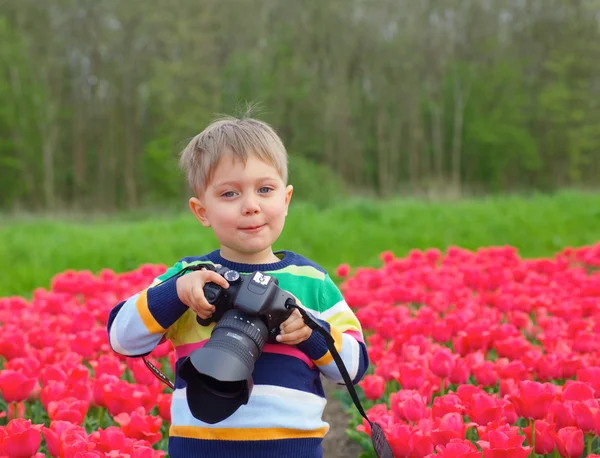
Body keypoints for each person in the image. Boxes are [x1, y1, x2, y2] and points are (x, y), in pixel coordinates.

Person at [107, 113, 369, 457]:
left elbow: (352, 369)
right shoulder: (192, 278)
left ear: (286, 200)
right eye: (230, 193)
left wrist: (310, 332)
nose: (251, 206)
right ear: (202, 211)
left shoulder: (312, 282)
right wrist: (179, 293)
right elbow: (122, 339)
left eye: (265, 189)